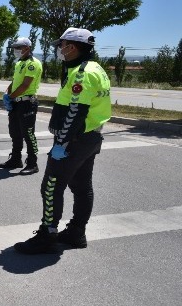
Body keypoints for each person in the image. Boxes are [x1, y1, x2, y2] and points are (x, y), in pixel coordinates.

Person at [14, 27, 112, 254]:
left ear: (73, 47)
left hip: (75, 140)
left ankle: (47, 235)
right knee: (82, 186)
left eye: (62, 45)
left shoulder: (82, 73)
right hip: (91, 137)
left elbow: (76, 111)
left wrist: (62, 143)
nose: (60, 49)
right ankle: (76, 232)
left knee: (50, 187)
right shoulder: (97, 68)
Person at [0, 37, 43, 175]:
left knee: (28, 134)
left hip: (27, 103)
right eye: (15, 48)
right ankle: (16, 159)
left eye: (19, 48)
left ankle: (32, 163)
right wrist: (7, 93)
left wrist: (10, 97)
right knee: (15, 132)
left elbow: (25, 85)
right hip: (16, 103)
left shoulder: (32, 64)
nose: (16, 50)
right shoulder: (19, 63)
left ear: (27, 48)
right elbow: (15, 81)